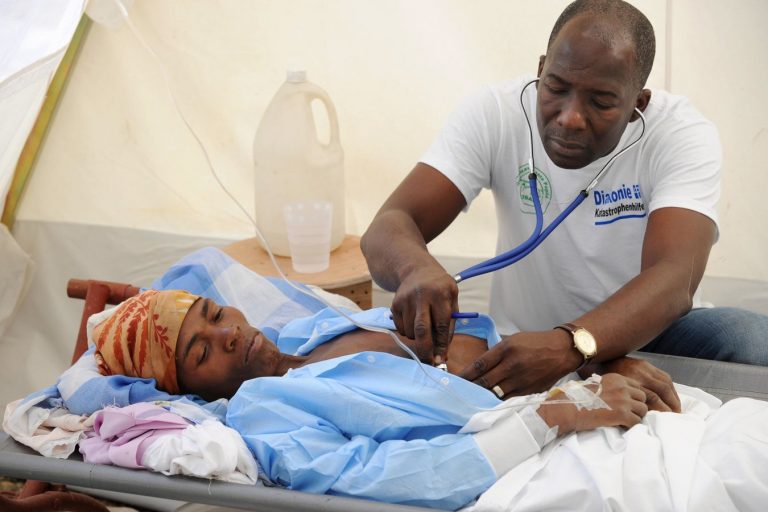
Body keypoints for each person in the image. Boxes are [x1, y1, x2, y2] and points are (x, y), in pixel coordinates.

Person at [360, 0, 768, 403]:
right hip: (522, 337)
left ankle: (608, 364)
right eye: (556, 88)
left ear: (637, 105)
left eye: (601, 101)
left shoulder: (681, 134)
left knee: (748, 338)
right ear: (541, 70)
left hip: (647, 335)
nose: (570, 117)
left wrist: (573, 346)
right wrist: (414, 267)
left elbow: (674, 278)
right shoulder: (495, 112)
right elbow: (390, 223)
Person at [90, 289, 768, 510]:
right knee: (731, 466)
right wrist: (553, 418)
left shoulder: (315, 326)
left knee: (738, 427)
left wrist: (597, 369)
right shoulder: (262, 410)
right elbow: (377, 478)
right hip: (521, 468)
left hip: (573, 404)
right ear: (184, 387)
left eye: (213, 314)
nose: (227, 334)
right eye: (200, 352)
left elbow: (480, 339)